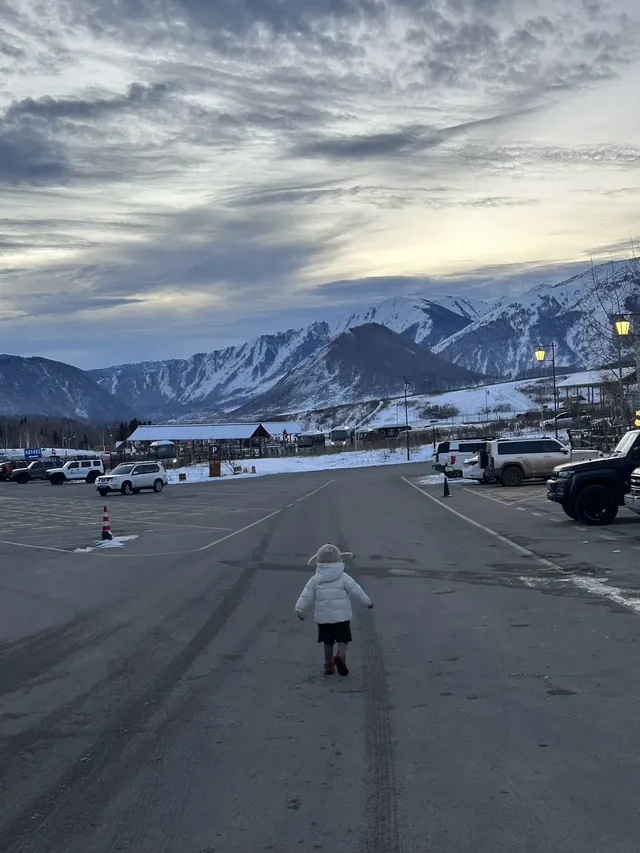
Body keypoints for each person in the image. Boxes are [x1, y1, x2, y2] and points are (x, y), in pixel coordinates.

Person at [295, 544, 373, 676]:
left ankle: (329, 665)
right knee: (343, 639)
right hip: (342, 616)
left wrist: (299, 608)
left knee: (328, 641)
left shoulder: (315, 580)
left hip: (324, 617)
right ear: (339, 560)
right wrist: (367, 602)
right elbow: (356, 590)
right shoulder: (343, 577)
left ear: (318, 561)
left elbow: (306, 594)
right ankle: (341, 655)